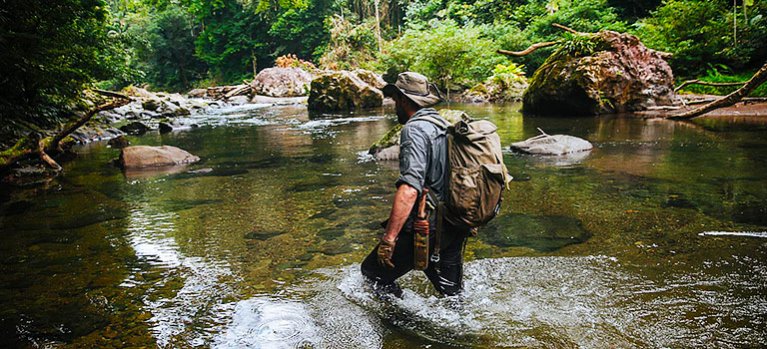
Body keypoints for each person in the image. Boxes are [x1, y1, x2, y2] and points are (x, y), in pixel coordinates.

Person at [360, 72, 471, 298]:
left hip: (427, 226)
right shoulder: (442, 123)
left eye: (394, 100)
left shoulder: (414, 129)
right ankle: (461, 330)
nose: (393, 106)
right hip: (454, 221)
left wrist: (389, 239)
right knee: (452, 294)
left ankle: (400, 328)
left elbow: (410, 187)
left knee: (372, 273)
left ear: (402, 99)